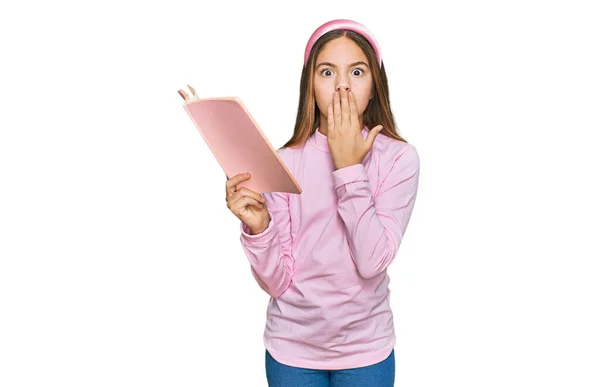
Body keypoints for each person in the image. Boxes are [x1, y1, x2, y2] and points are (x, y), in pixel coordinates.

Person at [225, 18, 420, 387]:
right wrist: (259, 228)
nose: (342, 85)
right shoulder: (283, 162)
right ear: (310, 86)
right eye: (327, 71)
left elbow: (372, 261)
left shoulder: (399, 159)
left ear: (375, 87)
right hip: (291, 350)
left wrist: (348, 167)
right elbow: (277, 283)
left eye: (357, 72)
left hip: (367, 349)